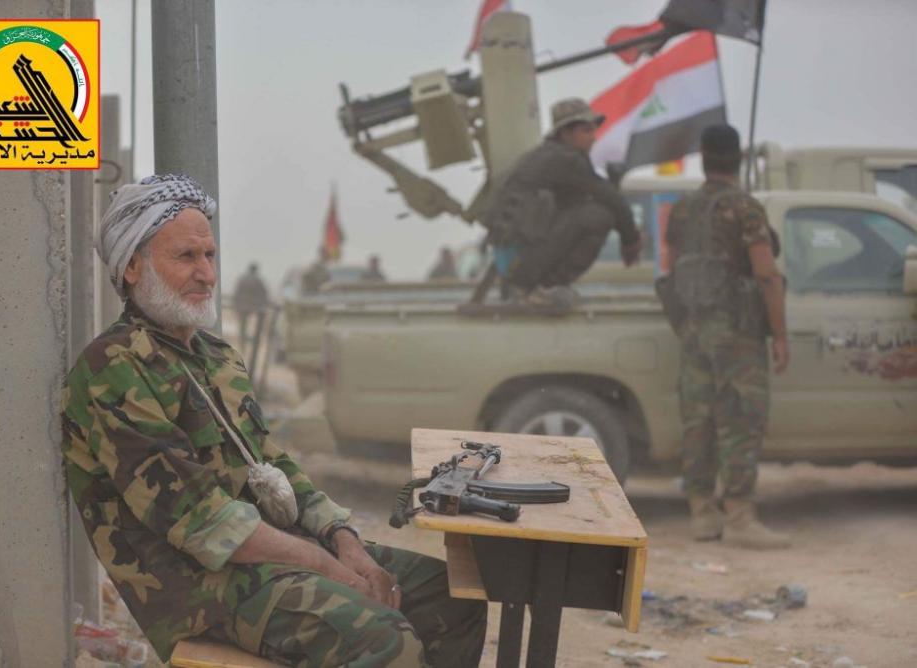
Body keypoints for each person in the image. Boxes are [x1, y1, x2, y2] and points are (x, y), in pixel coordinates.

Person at [63, 174, 486, 666]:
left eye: (210, 255)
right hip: (199, 585)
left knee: (452, 597)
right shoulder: (113, 368)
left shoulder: (215, 356)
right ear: (132, 267)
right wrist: (329, 567)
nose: (207, 274)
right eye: (186, 257)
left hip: (273, 553)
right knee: (385, 640)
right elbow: (201, 522)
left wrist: (345, 543)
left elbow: (272, 463)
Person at [662, 125, 791, 550]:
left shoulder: (682, 209)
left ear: (703, 157)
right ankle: (739, 516)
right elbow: (766, 275)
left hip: (693, 330)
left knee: (698, 419)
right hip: (737, 331)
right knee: (740, 419)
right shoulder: (745, 207)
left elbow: (671, 270)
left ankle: (702, 513)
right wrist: (780, 335)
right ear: (738, 158)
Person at [485, 97, 642, 305]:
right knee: (599, 216)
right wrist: (631, 240)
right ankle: (546, 287)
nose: (593, 138)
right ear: (565, 133)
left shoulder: (548, 156)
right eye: (586, 131)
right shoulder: (565, 159)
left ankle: (534, 286)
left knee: (588, 210)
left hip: (516, 263)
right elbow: (610, 199)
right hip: (521, 263)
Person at [232, 262, 270, 351]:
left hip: (241, 306)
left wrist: (235, 305)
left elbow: (237, 293)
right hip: (253, 307)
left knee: (243, 327)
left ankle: (243, 345)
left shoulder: (242, 279)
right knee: (257, 327)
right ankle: (253, 345)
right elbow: (264, 293)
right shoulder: (258, 280)